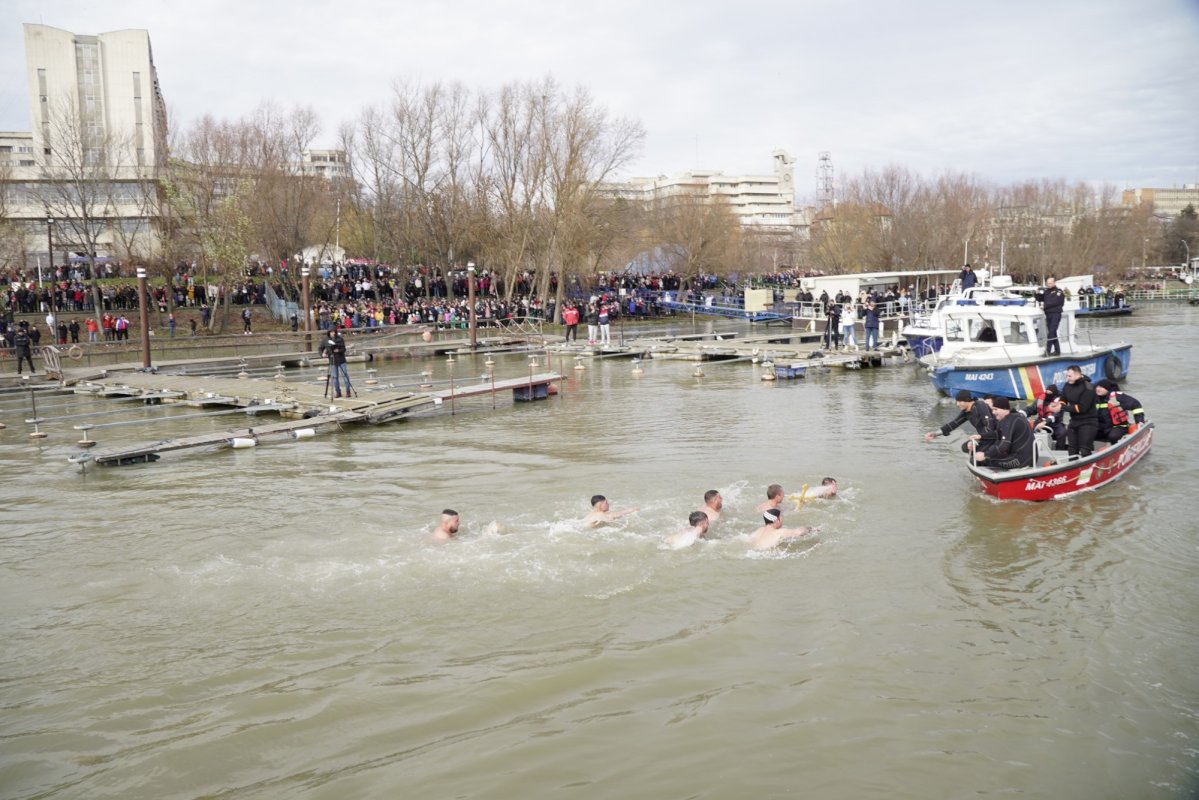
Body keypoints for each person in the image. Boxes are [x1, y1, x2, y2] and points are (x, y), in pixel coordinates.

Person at [925, 389, 998, 453]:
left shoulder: (980, 405)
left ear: (967, 400)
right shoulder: (966, 412)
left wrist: (980, 439)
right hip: (983, 437)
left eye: (959, 401)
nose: (957, 404)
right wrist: (934, 434)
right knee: (965, 447)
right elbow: (953, 424)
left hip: (995, 437)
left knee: (976, 455)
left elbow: (990, 425)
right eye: (957, 401)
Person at [974, 397, 1034, 470]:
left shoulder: (1010, 421)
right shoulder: (1013, 416)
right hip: (1027, 457)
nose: (993, 412)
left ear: (1005, 409)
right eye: (992, 409)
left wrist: (985, 454)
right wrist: (981, 436)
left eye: (996, 409)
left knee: (986, 461)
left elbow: (1004, 445)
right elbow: (998, 434)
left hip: (1022, 460)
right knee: (989, 457)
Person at [1060, 364, 1098, 457]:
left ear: (1078, 375)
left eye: (1069, 376)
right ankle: (1072, 465)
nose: (1067, 378)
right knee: (1072, 450)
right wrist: (1059, 405)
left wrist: (1062, 408)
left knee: (1084, 450)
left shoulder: (1088, 387)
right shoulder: (1067, 385)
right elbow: (1063, 399)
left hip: (1088, 422)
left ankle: (1089, 464)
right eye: (1066, 376)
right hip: (1074, 421)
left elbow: (1082, 408)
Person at [1094, 379, 1145, 444]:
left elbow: (1136, 405)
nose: (1098, 389)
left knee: (1113, 436)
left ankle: (1117, 447)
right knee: (1086, 434)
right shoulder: (1094, 398)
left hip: (1119, 427)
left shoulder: (1118, 397)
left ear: (1107, 388)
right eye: (1097, 387)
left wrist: (1139, 421)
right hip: (1101, 428)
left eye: (1101, 387)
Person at [1020, 384, 1067, 450]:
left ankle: (1059, 451)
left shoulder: (1060, 402)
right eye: (1046, 392)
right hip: (1040, 421)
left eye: (1050, 393)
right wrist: (1022, 413)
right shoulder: (1040, 400)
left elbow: (1056, 415)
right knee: (1029, 431)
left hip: (1055, 424)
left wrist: (1045, 422)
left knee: (1062, 433)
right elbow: (1032, 409)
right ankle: (1032, 450)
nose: (1048, 394)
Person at [749, 508, 818, 551]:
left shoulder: (758, 530)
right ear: (776, 520)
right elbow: (799, 532)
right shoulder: (779, 532)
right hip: (768, 554)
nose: (783, 519)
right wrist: (811, 528)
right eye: (781, 517)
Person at [1037, 276, 1066, 356]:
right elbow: (1040, 298)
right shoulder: (1046, 291)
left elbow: (1055, 302)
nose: (1049, 285)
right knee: (1053, 333)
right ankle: (1057, 351)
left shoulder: (1059, 292)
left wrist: (1045, 306)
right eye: (1048, 283)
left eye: (1050, 283)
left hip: (1056, 314)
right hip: (1048, 314)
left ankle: (1047, 351)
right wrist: (1037, 293)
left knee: (1051, 333)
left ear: (1054, 283)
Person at [323, 328, 352, 398]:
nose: (333, 333)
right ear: (329, 333)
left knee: (345, 375)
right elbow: (323, 348)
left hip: (341, 360)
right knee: (335, 377)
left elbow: (344, 349)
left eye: (334, 332)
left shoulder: (340, 339)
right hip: (332, 361)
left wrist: (338, 350)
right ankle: (338, 392)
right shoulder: (326, 340)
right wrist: (323, 353)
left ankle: (348, 391)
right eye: (331, 332)